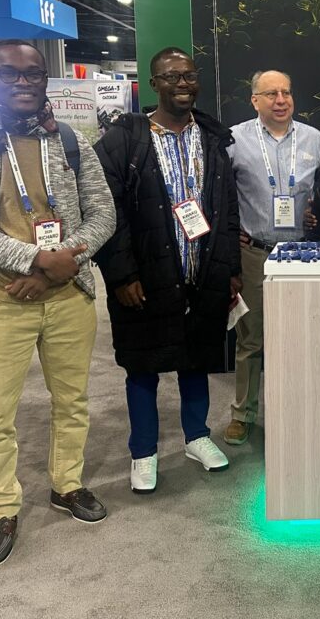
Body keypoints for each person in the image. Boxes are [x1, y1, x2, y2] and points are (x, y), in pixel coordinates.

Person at [0, 39, 115, 567]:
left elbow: (103, 214)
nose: (24, 82)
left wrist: (63, 262)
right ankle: (0, 509)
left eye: (33, 73)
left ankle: (67, 484)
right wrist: (37, 261)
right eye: (10, 74)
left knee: (72, 400)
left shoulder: (69, 139)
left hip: (68, 294)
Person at [94, 47, 240, 494]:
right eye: (171, 76)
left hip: (202, 268)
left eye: (189, 75)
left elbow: (228, 209)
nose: (182, 84)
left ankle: (197, 437)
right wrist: (121, 275)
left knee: (197, 357)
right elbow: (107, 212)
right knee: (142, 365)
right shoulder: (124, 140)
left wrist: (230, 269)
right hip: (145, 275)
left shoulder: (213, 138)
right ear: (153, 83)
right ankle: (144, 452)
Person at [225, 70, 320, 446]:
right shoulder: (235, 140)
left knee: (303, 339)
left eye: (286, 92)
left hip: (300, 255)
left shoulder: (314, 139)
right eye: (271, 93)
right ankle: (243, 414)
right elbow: (219, 192)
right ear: (254, 100)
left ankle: (302, 412)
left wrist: (315, 212)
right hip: (253, 252)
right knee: (251, 339)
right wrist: (230, 230)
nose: (280, 100)